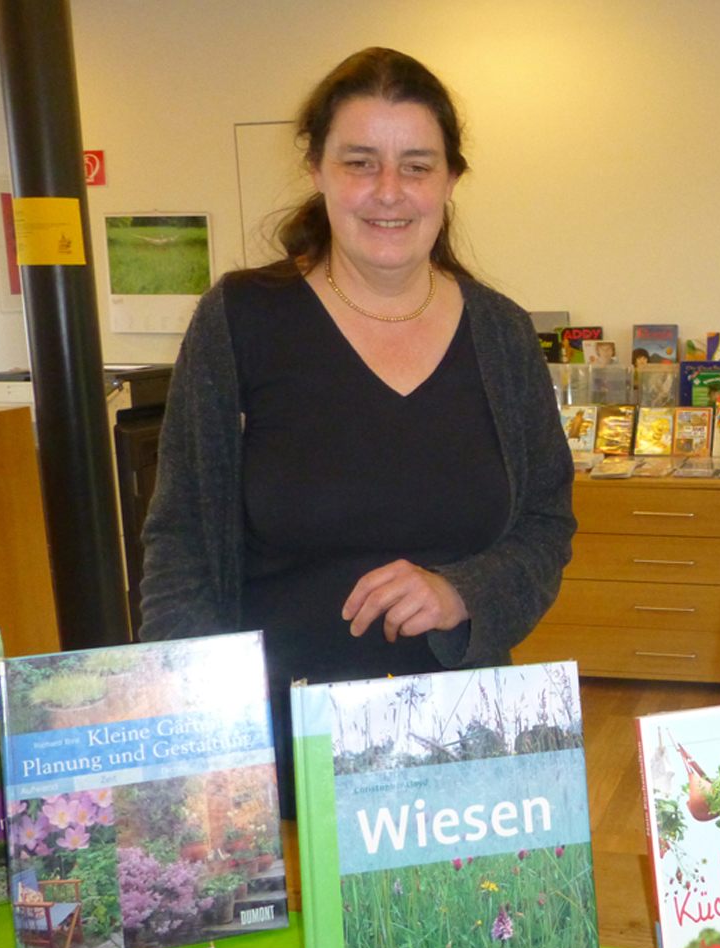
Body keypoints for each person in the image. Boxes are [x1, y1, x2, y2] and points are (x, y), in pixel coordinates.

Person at [140, 48, 574, 818]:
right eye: (359, 161)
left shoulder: (501, 334)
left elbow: (546, 524)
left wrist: (461, 590)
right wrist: (201, 735)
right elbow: (178, 540)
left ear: (449, 178)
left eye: (415, 165)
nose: (388, 192)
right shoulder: (242, 321)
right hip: (274, 750)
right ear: (315, 167)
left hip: (460, 749)